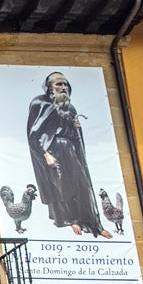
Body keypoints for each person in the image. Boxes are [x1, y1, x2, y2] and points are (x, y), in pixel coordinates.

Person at [26, 71, 112, 239]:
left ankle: (93, 224)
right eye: (59, 84)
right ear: (50, 87)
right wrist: (45, 154)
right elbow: (34, 134)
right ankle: (70, 219)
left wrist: (76, 128)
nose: (63, 87)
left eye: (65, 84)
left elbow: (73, 135)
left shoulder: (70, 108)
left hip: (70, 150)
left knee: (81, 184)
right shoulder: (39, 103)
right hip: (53, 150)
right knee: (61, 184)